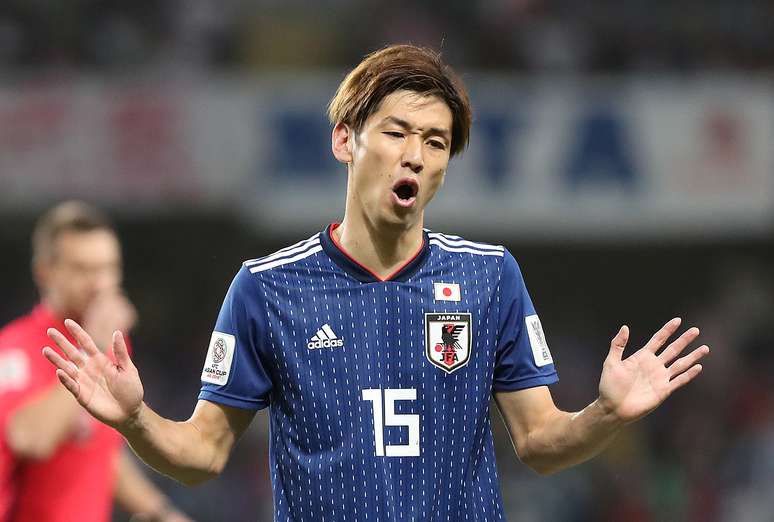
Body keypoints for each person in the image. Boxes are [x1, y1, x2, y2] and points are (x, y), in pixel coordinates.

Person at [43, 45, 710, 521]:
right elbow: (202, 454)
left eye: (437, 141)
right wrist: (134, 418)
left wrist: (604, 415)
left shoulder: (488, 277)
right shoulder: (265, 289)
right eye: (395, 132)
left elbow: (539, 443)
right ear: (345, 141)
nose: (416, 154)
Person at [0, 202, 193, 522]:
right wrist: (94, 347)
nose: (101, 283)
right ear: (45, 272)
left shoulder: (110, 344)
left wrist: (159, 512)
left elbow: (101, 449)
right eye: (83, 269)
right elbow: (29, 439)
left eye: (109, 268)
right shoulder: (15, 350)